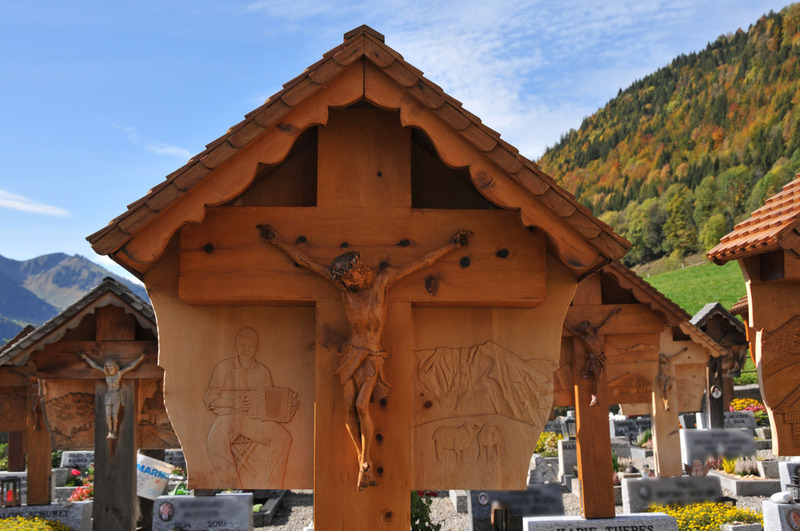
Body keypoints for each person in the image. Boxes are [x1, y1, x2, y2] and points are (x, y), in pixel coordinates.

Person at [259, 224, 471, 490]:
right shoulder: (345, 293)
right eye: (350, 278)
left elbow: (421, 263)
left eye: (357, 272)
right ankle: (364, 462)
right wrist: (278, 241)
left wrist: (452, 245)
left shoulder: (381, 283)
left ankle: (364, 458)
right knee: (348, 407)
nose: (356, 279)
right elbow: (306, 263)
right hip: (349, 354)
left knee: (362, 405)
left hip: (372, 355)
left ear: (363, 269)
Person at [203, 327, 299, 487]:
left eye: (250, 346)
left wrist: (289, 406)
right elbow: (209, 399)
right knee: (215, 441)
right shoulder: (224, 368)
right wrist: (234, 401)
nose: (246, 349)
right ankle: (232, 488)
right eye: (243, 345)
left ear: (256, 347)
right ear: (236, 345)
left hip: (254, 420)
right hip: (228, 417)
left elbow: (269, 406)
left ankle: (273, 486)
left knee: (283, 437)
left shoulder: (263, 372)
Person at [77, 351, 147, 438]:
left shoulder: (119, 374)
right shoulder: (106, 374)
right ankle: (110, 431)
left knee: (114, 415)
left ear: (115, 367)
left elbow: (131, 366)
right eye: (108, 367)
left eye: (111, 367)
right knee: (108, 415)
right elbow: (94, 366)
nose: (110, 369)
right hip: (108, 396)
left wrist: (141, 357)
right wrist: (86, 357)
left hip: (116, 395)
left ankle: (114, 430)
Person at [574, 307, 621, 407]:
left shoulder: (595, 332)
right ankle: (594, 397)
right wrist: (561, 319)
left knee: (598, 378)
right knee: (597, 377)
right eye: (585, 328)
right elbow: (571, 330)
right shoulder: (584, 338)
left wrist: (613, 313)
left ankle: (594, 397)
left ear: (589, 327)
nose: (587, 329)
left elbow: (605, 323)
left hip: (600, 358)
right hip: (593, 360)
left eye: (587, 327)